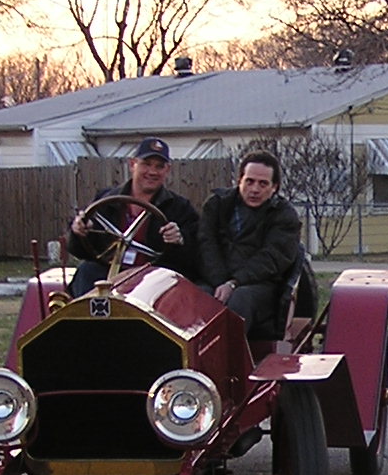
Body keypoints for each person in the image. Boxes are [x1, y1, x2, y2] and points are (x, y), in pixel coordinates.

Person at [65, 137, 202, 295]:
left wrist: (179, 240)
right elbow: (80, 249)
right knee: (87, 271)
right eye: (146, 164)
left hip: (152, 278)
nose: (152, 172)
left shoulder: (179, 208)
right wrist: (78, 231)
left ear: (167, 170)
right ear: (132, 164)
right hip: (109, 272)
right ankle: (81, 316)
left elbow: (193, 257)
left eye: (159, 166)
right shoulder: (105, 200)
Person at [199, 150, 304, 338]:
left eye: (263, 184)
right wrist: (220, 282)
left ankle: (228, 362)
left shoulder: (284, 216)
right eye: (250, 181)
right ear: (240, 180)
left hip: (262, 287)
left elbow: (272, 259)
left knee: (241, 299)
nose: (255, 189)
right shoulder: (216, 205)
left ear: (274, 187)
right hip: (216, 280)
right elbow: (207, 245)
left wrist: (234, 283)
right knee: (196, 296)